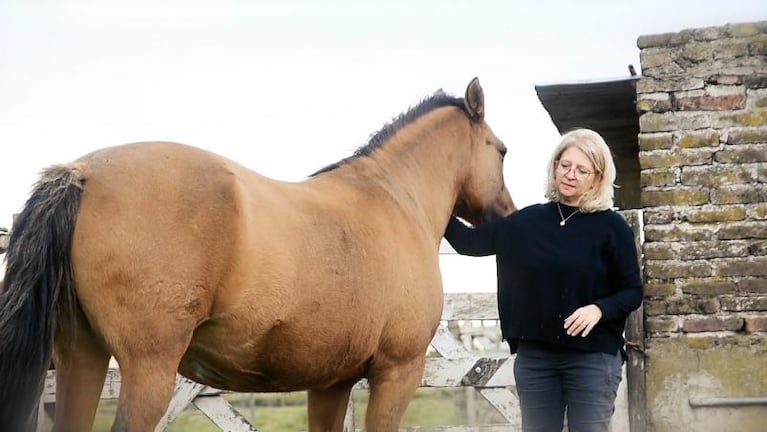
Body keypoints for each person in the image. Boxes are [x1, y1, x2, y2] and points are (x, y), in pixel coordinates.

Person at [444, 128, 643, 432]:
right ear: (554, 166)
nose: (571, 175)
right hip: (537, 360)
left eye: (582, 170)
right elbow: (469, 242)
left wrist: (598, 310)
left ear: (597, 177)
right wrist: (432, 198)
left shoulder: (612, 228)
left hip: (593, 359)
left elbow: (632, 291)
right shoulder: (527, 222)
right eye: (565, 165)